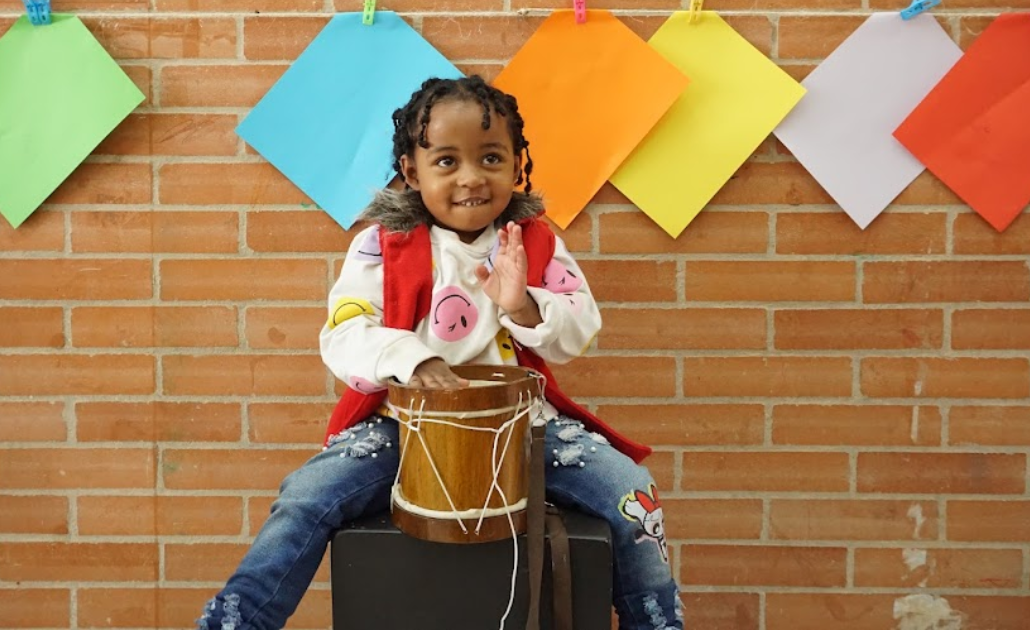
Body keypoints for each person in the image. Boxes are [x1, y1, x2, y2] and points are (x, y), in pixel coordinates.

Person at [196, 75, 684, 630]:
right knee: (305, 496)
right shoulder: (379, 245)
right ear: (411, 170)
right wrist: (412, 358)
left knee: (631, 493)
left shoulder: (536, 242)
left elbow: (580, 330)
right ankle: (235, 622)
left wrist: (522, 303)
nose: (472, 178)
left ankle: (657, 622)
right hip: (402, 425)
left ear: (517, 164)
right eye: (447, 161)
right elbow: (343, 333)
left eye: (492, 157)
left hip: (522, 425)